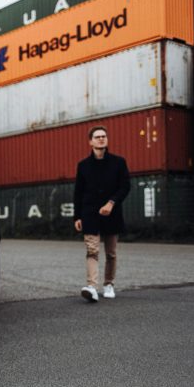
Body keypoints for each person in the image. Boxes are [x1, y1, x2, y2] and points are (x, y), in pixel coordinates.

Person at [73, 125, 131, 302]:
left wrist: (112, 202)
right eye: (97, 136)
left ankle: (109, 284)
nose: (101, 139)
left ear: (107, 140)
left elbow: (125, 186)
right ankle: (91, 287)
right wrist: (77, 216)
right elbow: (78, 192)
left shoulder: (118, 162)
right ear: (90, 141)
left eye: (104, 136)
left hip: (111, 212)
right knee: (92, 251)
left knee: (111, 253)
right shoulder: (83, 166)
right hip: (89, 213)